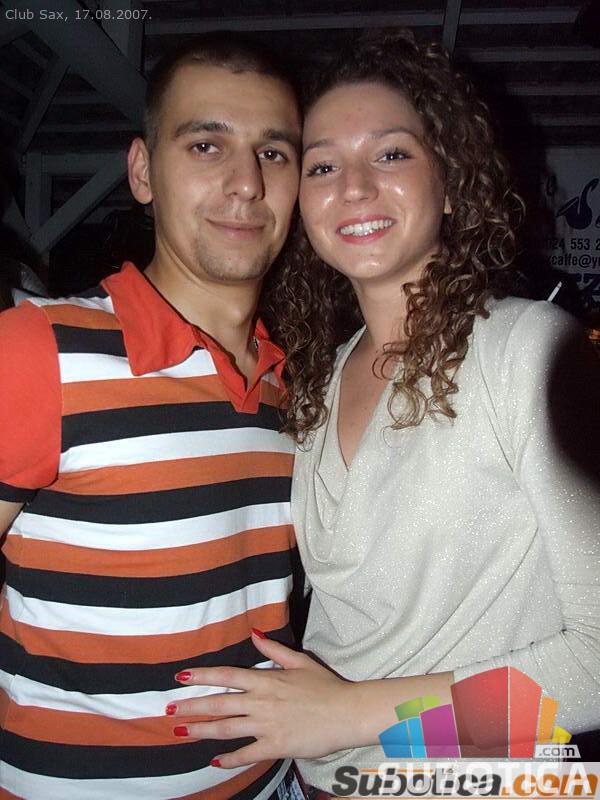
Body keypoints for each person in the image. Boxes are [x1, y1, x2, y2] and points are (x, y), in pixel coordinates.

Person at [163, 30, 600, 795]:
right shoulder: (319, 377)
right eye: (323, 165)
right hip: (315, 781)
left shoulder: (527, 350)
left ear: (451, 183)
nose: (355, 187)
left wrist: (356, 717)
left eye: (392, 154)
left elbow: (593, 672)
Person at [0, 34, 304, 799]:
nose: (246, 183)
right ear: (142, 171)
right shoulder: (38, 350)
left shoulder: (294, 386)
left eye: (273, 153)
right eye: (206, 145)